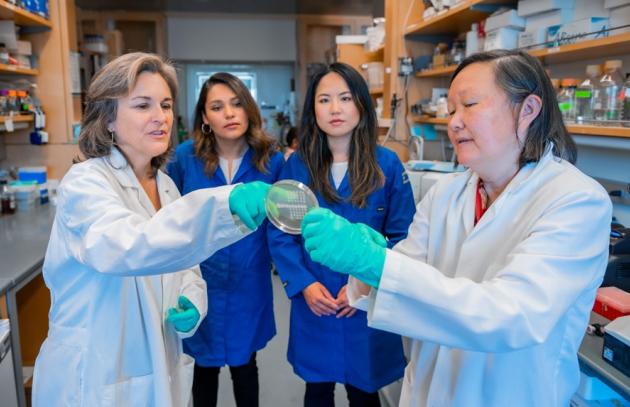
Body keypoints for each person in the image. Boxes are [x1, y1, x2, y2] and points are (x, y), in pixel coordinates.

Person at [301, 50, 612, 406]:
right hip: (429, 391)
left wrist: (378, 264)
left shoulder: (576, 201)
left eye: (470, 105)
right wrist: (368, 264)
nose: (454, 122)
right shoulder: (447, 192)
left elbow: (511, 314)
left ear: (527, 110)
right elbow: (407, 268)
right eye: (451, 110)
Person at [32, 53, 271, 407]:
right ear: (109, 117)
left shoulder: (165, 186)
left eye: (165, 105)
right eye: (143, 105)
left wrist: (192, 298)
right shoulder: (85, 183)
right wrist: (223, 206)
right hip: (99, 372)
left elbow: (185, 263)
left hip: (158, 365)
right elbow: (128, 245)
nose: (160, 117)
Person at [268, 62, 416, 406]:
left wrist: (362, 287)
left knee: (365, 393)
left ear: (362, 106)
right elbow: (280, 235)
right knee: (316, 391)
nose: (335, 108)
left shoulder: (388, 166)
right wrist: (303, 284)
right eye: (324, 100)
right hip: (315, 301)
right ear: (312, 111)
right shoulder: (297, 166)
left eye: (345, 98)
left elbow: (404, 237)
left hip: (365, 306)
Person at [167, 72, 284, 407]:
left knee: (245, 364)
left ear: (249, 109)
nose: (229, 114)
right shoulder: (185, 158)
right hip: (199, 279)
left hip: (250, 280)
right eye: (217, 107)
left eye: (236, 104)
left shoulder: (271, 158)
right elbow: (169, 217)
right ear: (205, 117)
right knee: (203, 369)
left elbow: (284, 222)